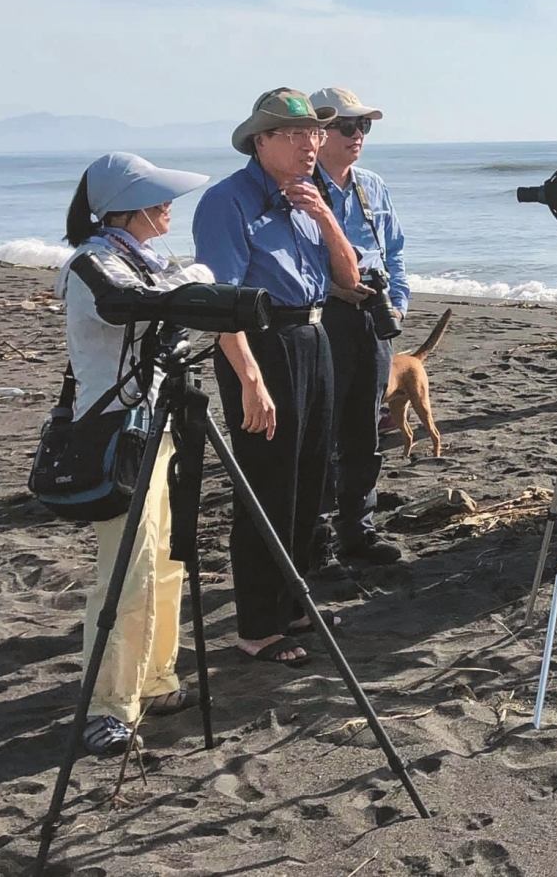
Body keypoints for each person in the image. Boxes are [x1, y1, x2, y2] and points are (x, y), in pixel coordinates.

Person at [193, 88, 361, 667]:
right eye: (294, 134)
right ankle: (258, 627)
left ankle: (294, 603)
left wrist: (324, 217)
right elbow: (220, 304)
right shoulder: (228, 200)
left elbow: (347, 276)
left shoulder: (310, 198)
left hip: (314, 335)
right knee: (267, 485)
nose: (310, 144)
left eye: (315, 133)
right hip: (261, 343)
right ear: (261, 141)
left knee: (312, 478)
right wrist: (250, 380)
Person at [55, 152, 213, 754]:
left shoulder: (142, 258)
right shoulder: (94, 263)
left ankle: (156, 679)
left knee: (169, 559)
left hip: (158, 424)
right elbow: (133, 304)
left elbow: (162, 305)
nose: (169, 205)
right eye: (157, 196)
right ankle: (108, 705)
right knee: (127, 572)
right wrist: (195, 285)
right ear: (125, 206)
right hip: (118, 434)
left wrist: (192, 284)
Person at [309, 86, 409, 566]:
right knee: (321, 431)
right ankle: (318, 539)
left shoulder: (373, 185)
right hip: (322, 318)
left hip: (372, 316)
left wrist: (401, 302)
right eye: (347, 127)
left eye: (363, 126)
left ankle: (359, 530)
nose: (357, 136)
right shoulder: (299, 188)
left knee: (365, 429)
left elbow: (395, 250)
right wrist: (333, 288)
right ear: (319, 133)